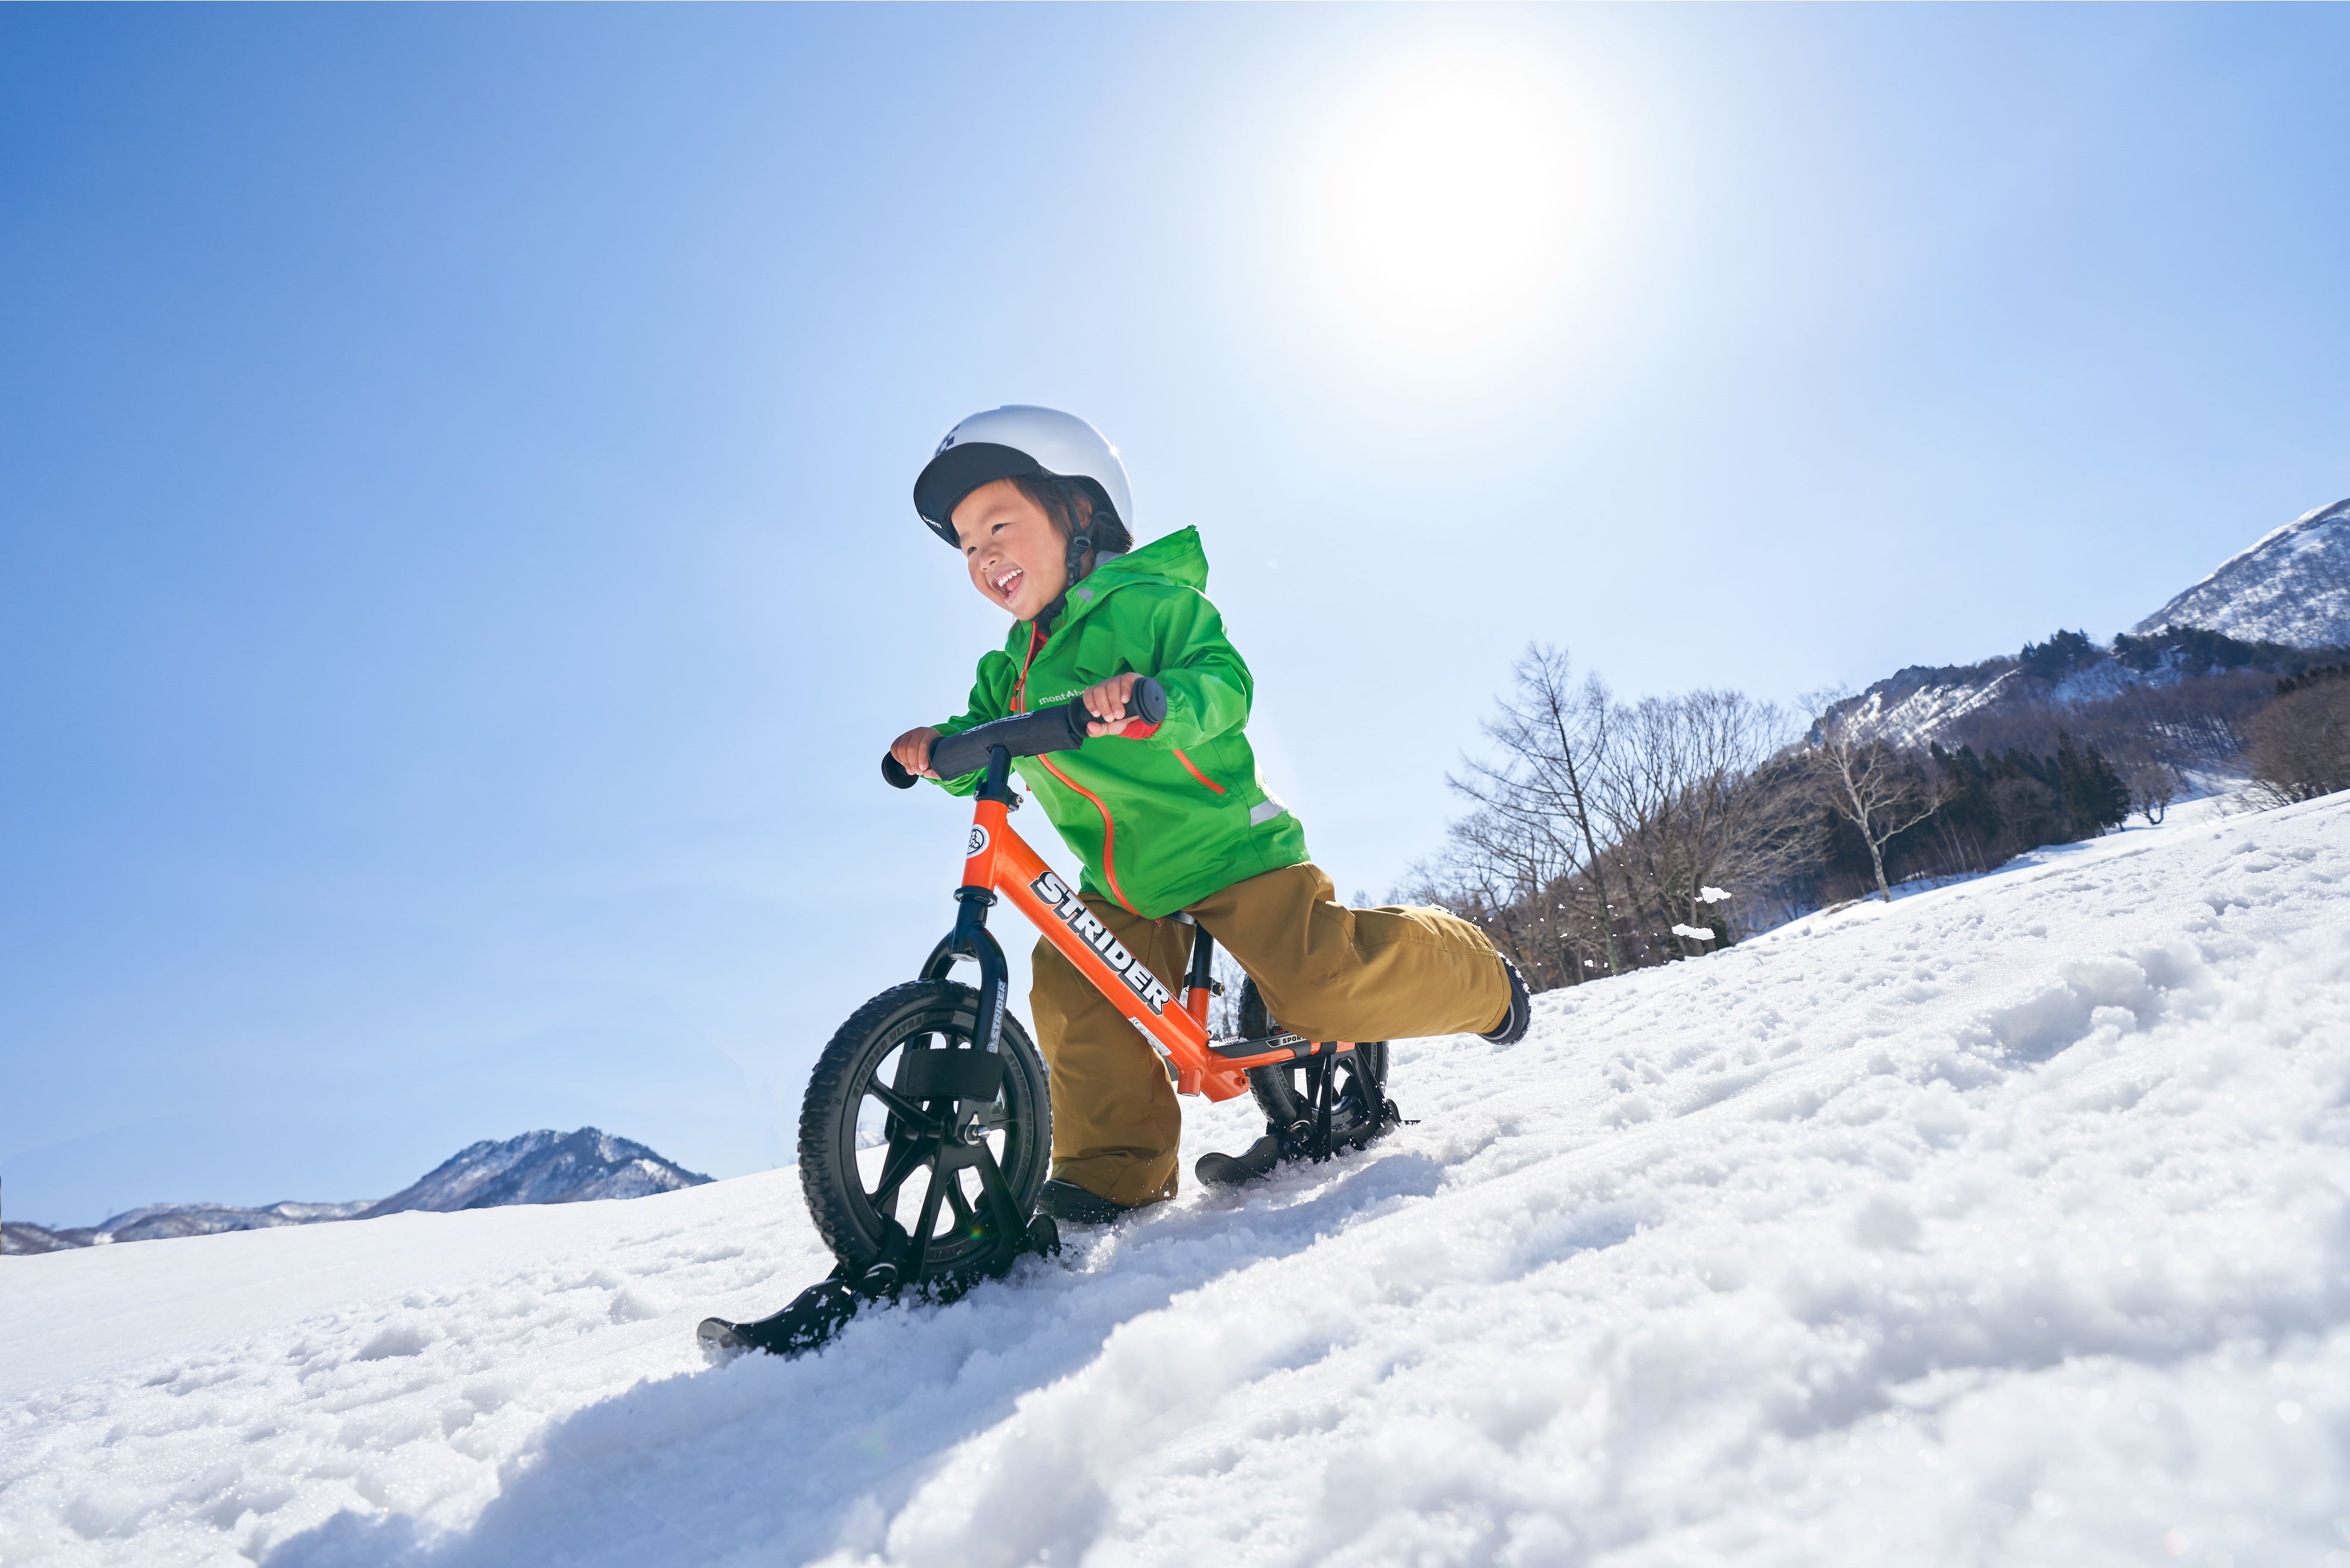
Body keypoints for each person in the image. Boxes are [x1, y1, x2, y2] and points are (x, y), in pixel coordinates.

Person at [890, 406, 1529, 1225]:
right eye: (968, 546)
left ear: (1081, 514)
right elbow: (977, 744)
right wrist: (936, 749)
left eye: (1000, 525)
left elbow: (1223, 681)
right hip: (1128, 881)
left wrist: (1159, 702)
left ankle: (1479, 978)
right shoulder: (1006, 671)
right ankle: (1113, 1170)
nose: (984, 556)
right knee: (1072, 979)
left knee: (1318, 983)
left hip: (1234, 848)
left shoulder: (1153, 604)